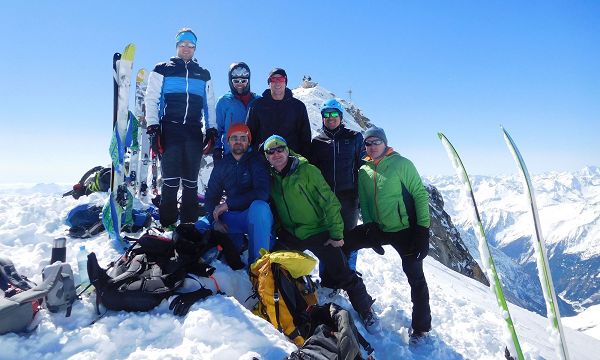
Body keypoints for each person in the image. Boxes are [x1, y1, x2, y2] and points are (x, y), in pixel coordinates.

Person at [263, 135, 380, 334]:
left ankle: (366, 309)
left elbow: (330, 202)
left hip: (318, 231)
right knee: (272, 264)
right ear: (266, 156)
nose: (276, 154)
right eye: (271, 152)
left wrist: (335, 234)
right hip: (291, 234)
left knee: (342, 272)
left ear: (287, 150)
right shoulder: (271, 177)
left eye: (280, 149)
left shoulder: (306, 171)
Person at [343, 126, 432, 342]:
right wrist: (371, 226)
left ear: (385, 143)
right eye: (368, 143)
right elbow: (364, 201)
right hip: (379, 229)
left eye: (376, 142)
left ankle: (420, 328)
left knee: (415, 277)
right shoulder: (363, 170)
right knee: (344, 243)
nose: (372, 147)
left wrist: (422, 231)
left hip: (406, 231)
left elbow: (420, 195)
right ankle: (345, 286)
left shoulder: (401, 164)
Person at [145, 28, 217, 227]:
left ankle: (189, 224)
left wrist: (212, 129)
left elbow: (209, 104)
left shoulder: (203, 73)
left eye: (190, 45)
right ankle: (167, 223)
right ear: (177, 46)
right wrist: (153, 128)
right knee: (170, 180)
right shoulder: (163, 68)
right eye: (183, 44)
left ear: (195, 48)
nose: (186, 48)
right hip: (170, 129)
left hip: (194, 130)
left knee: (191, 182)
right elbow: (152, 99)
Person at [309, 99, 372, 273]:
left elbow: (364, 166)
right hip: (326, 199)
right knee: (328, 238)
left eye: (334, 114)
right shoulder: (318, 142)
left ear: (341, 117)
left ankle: (350, 274)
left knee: (349, 238)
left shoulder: (354, 137)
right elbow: (313, 172)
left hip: (349, 197)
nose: (331, 118)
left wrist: (363, 195)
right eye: (327, 114)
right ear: (322, 118)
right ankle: (327, 276)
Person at [201, 123, 273, 265]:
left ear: (248, 141)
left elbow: (262, 193)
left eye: (243, 138)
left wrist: (228, 204)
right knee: (199, 227)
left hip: (255, 218)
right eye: (234, 137)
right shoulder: (222, 165)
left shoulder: (257, 160)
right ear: (228, 141)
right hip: (232, 218)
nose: (238, 141)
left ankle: (259, 268)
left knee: (260, 207)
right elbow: (210, 197)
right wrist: (215, 221)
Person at [246, 68, 312, 157]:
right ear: (269, 83)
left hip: (291, 160)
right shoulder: (257, 106)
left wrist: (302, 159)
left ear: (285, 82)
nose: (277, 83)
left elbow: (305, 137)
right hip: (263, 160)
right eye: (273, 79)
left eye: (280, 79)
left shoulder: (298, 106)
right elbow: (249, 135)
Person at [214, 62, 260, 160]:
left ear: (248, 81)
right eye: (236, 81)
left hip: (254, 156)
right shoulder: (224, 101)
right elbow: (218, 128)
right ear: (230, 81)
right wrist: (217, 149)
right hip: (230, 154)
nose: (240, 84)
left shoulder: (257, 101)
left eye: (243, 81)